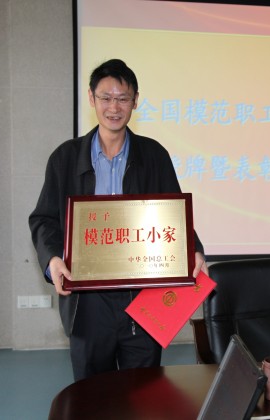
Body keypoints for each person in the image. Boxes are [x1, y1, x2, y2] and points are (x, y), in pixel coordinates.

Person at [29, 59, 208, 381]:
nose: (114, 107)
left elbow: (174, 215)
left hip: (143, 299)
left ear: (135, 101)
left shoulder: (154, 155)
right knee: (91, 395)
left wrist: (193, 249)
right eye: (106, 98)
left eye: (123, 98)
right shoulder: (65, 158)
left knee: (143, 392)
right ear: (91, 98)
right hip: (87, 302)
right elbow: (43, 219)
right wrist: (53, 259)